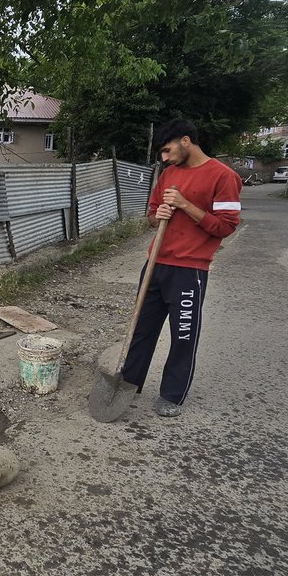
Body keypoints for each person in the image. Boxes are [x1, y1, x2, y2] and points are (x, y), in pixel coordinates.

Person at [121, 119, 242, 417]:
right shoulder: (169, 174)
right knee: (141, 330)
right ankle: (127, 384)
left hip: (189, 270)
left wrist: (185, 205)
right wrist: (158, 214)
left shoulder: (223, 176)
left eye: (167, 150)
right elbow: (151, 215)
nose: (164, 158)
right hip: (155, 264)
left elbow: (226, 227)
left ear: (185, 141)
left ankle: (172, 394)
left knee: (183, 335)